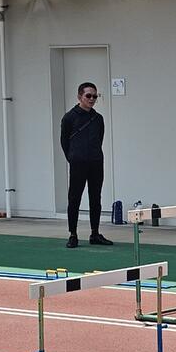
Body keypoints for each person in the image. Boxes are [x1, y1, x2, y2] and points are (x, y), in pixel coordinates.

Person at [60, 82, 113, 248]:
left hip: (96, 162)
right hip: (78, 163)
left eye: (94, 96)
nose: (92, 99)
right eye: (88, 96)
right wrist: (73, 157)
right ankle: (73, 234)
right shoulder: (69, 117)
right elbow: (64, 141)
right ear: (79, 97)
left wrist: (94, 155)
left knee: (95, 198)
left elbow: (99, 138)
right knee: (74, 198)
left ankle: (95, 233)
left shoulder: (98, 118)